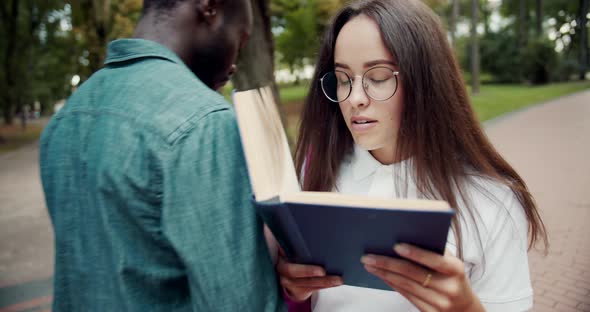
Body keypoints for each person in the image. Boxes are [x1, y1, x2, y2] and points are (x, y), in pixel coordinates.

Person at [276, 0, 548, 311]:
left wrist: (467, 309)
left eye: (377, 77)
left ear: (426, 81)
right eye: (342, 79)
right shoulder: (316, 174)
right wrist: (292, 287)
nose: (355, 98)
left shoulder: (492, 200)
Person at [39, 0, 285, 311]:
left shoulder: (65, 120)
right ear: (210, 8)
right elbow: (240, 302)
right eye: (241, 38)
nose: (235, 62)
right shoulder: (205, 121)